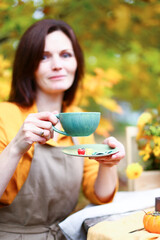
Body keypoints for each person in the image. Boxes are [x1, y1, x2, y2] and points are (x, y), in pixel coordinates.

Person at [0, 19, 125, 240]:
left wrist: (108, 163)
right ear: (29, 65)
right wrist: (17, 147)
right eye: (44, 56)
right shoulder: (5, 114)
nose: (57, 65)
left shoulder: (78, 121)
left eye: (66, 55)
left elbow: (98, 195)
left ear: (76, 63)